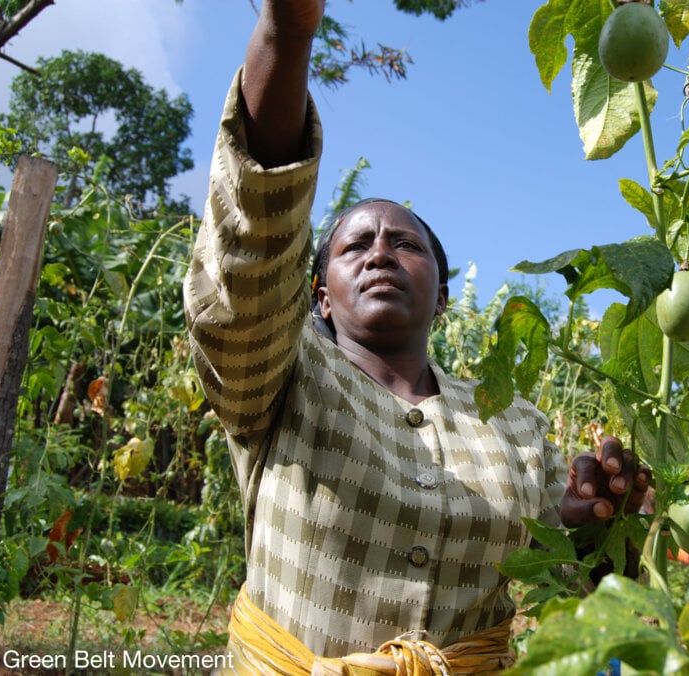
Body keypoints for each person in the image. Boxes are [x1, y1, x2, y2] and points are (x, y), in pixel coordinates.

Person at [182, 1, 650, 672]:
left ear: (444, 294)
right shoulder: (283, 375)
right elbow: (252, 248)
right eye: (354, 246)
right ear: (317, 295)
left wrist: (593, 518)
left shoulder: (512, 421)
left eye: (405, 244)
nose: (379, 253)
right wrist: (286, 32)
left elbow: (584, 578)